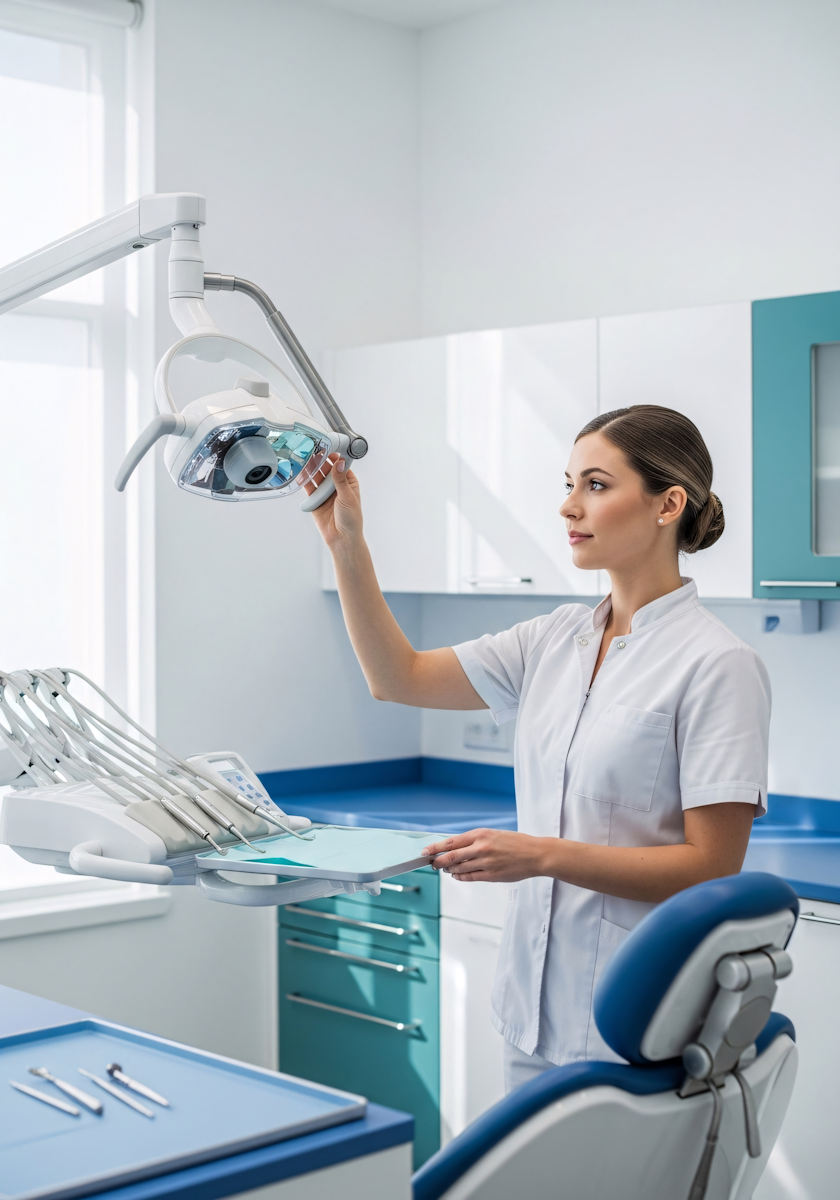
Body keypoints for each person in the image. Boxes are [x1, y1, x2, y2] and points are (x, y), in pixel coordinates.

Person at [306, 404, 770, 1093]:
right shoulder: (554, 638)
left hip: (638, 1024)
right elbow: (395, 677)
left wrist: (539, 854)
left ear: (668, 503)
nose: (567, 506)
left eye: (595, 485)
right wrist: (347, 543)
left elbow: (711, 868)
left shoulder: (717, 665)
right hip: (529, 1011)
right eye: (568, 482)